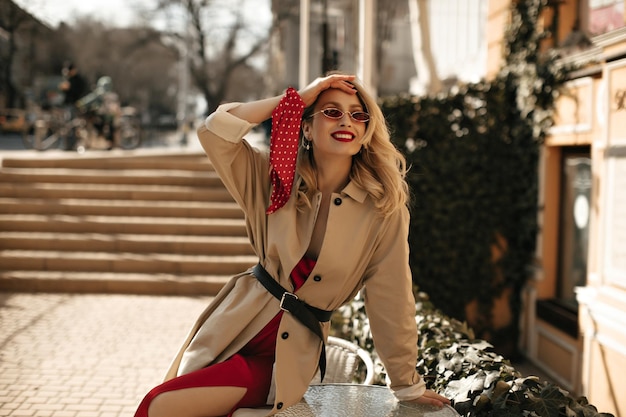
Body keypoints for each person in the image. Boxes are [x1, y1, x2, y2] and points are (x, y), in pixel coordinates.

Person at [134, 73, 451, 417]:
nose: (347, 121)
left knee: (161, 406)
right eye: (331, 112)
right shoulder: (274, 179)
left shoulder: (383, 208)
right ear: (306, 129)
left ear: (365, 134)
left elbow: (391, 296)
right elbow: (215, 131)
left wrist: (406, 384)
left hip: (288, 354)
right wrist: (297, 99)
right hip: (237, 324)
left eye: (358, 115)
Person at [59, 62, 89, 150]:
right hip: (68, 104)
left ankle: (71, 145)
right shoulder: (69, 79)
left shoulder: (77, 80)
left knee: (71, 126)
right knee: (68, 126)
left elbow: (77, 91)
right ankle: (68, 145)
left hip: (73, 104)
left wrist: (69, 88)